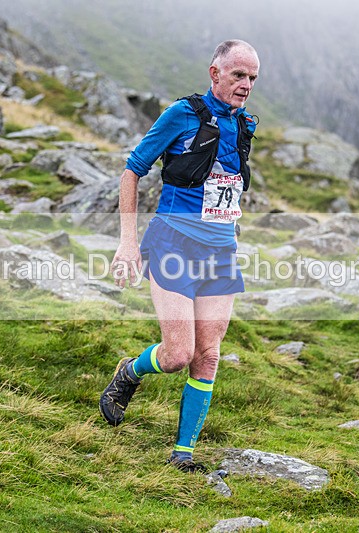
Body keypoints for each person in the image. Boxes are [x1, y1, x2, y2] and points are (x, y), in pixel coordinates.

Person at [99, 39, 260, 473]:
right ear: (215, 73)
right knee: (177, 355)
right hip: (173, 246)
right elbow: (132, 171)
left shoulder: (244, 124)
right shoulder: (181, 114)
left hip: (220, 253)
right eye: (238, 75)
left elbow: (225, 187)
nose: (246, 84)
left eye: (252, 78)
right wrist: (128, 242)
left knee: (209, 354)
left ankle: (182, 454)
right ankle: (130, 373)